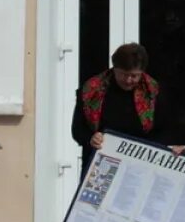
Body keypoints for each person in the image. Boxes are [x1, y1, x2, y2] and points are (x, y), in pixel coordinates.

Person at [71, 43, 174, 174]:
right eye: (123, 74)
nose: (128, 80)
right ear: (114, 68)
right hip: (99, 167)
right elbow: (78, 129)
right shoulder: (91, 90)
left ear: (142, 72)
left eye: (134, 75)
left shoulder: (153, 92)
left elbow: (165, 131)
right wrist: (91, 138)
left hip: (139, 167)